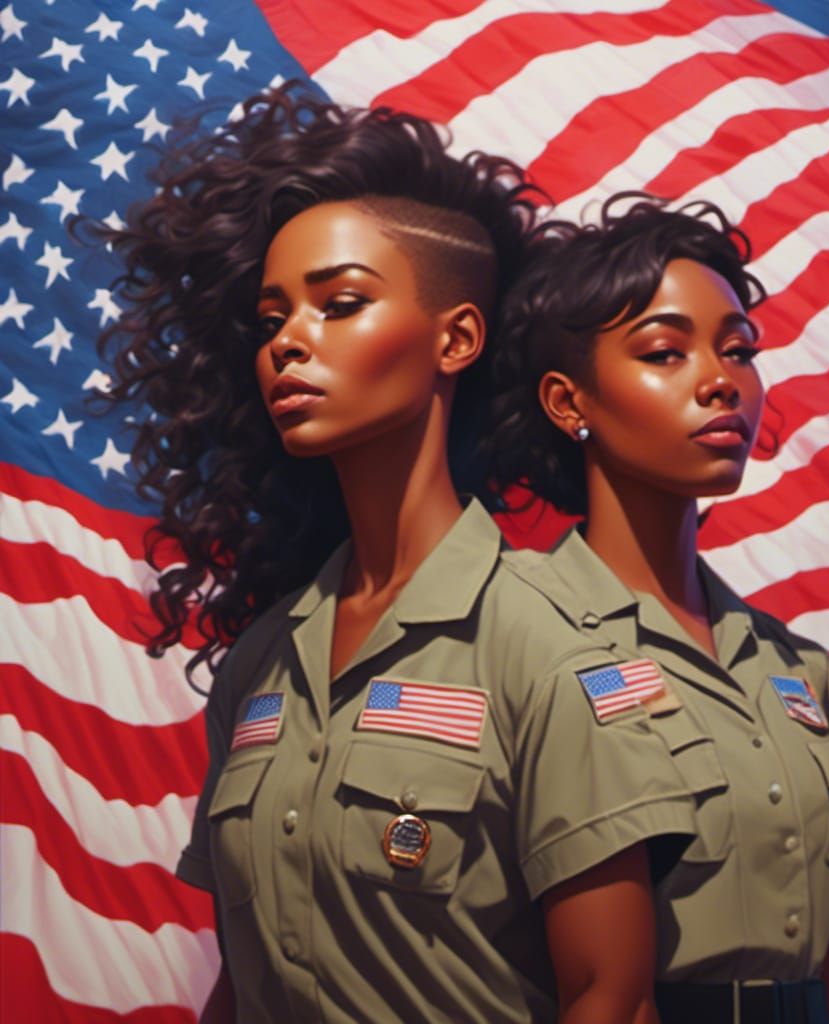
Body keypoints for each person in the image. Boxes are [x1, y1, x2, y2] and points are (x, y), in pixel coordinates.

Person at [93, 90, 697, 1023]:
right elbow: (243, 984)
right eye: (270, 319)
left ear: (455, 338)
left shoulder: (555, 646)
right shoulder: (261, 665)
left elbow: (609, 997)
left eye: (339, 304)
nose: (289, 341)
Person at [485, 195, 829, 1024]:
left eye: (739, 350)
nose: (721, 382)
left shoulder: (798, 669)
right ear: (569, 403)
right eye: (665, 352)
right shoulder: (518, 633)